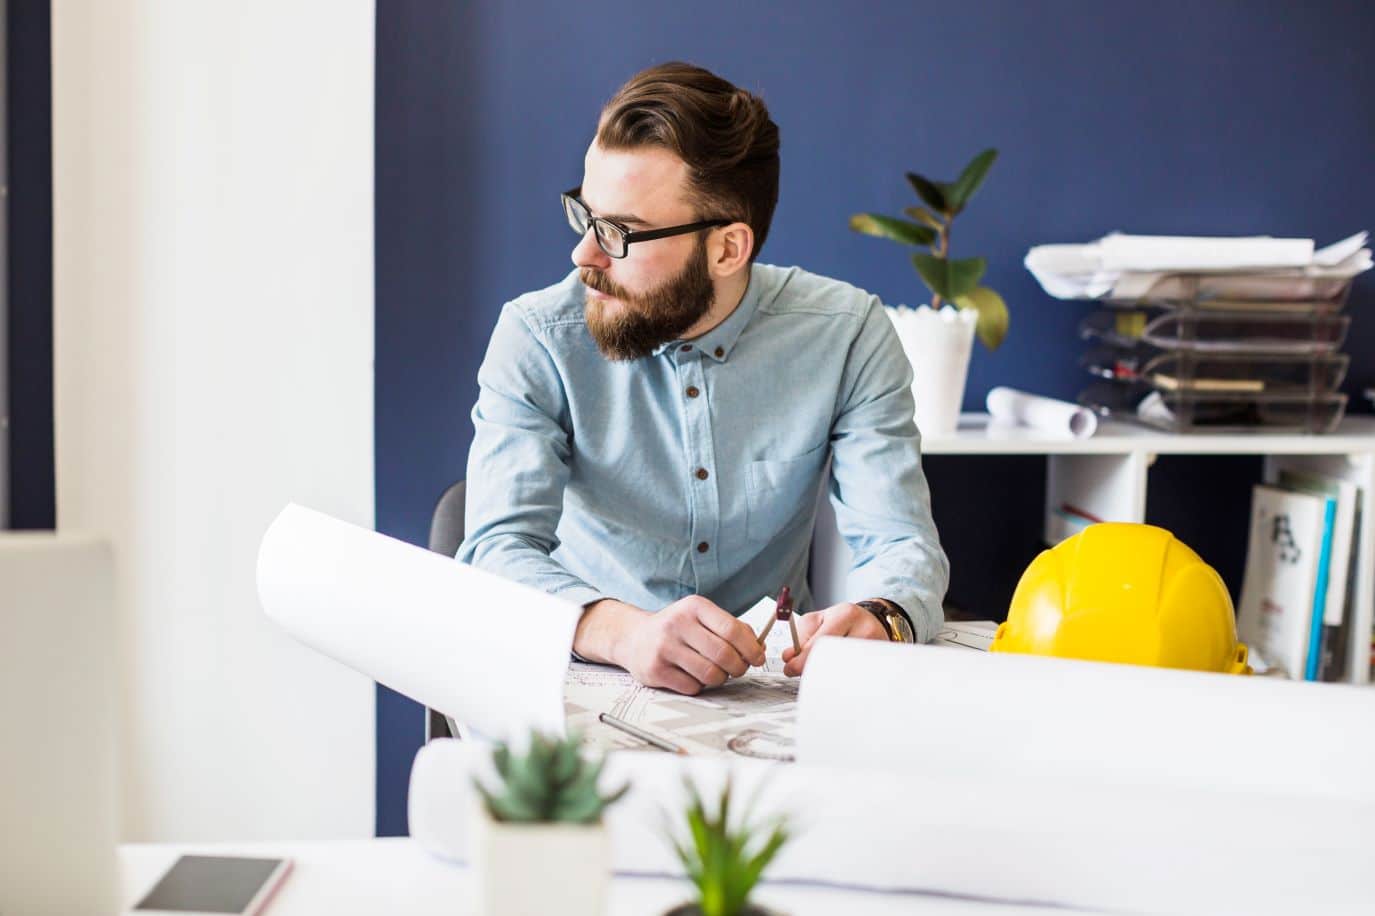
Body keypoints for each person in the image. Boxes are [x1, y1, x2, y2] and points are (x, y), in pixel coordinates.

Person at [458, 62, 948, 695]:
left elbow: (900, 541)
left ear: (727, 249)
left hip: (768, 698)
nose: (584, 255)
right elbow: (495, 553)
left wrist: (885, 616)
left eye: (619, 232)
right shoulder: (536, 336)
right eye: (585, 215)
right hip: (586, 677)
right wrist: (628, 635)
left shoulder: (847, 333)